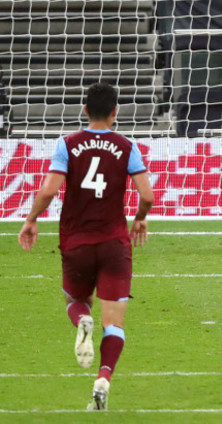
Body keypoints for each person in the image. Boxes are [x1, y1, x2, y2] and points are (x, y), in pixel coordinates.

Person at [18, 82, 154, 410]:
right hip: (114, 245)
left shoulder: (68, 144)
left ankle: (82, 319)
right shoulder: (126, 146)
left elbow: (50, 191)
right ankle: (103, 377)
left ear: (84, 110)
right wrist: (140, 218)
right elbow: (147, 195)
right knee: (115, 323)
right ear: (115, 112)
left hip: (77, 243)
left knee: (76, 300)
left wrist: (32, 219)